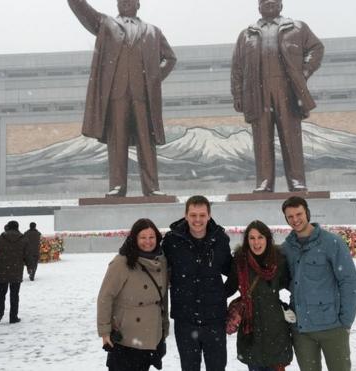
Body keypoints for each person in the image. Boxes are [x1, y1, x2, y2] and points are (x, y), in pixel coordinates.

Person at [67, 0, 177, 197]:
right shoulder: (106, 24)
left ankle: (152, 188)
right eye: (121, 0)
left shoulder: (153, 31)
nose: (125, 3)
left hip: (143, 97)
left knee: (146, 141)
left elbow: (170, 58)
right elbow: (83, 10)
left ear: (138, 4)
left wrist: (153, 78)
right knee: (117, 141)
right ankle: (117, 186)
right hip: (116, 96)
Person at [231, 0, 324, 192]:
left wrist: (303, 72)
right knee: (262, 140)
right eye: (265, 1)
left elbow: (316, 49)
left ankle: (297, 181)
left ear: (281, 5)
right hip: (258, 93)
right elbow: (237, 68)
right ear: (259, 6)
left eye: (274, 1)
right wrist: (238, 94)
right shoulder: (247, 35)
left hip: (287, 91)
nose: (270, 4)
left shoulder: (297, 28)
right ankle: (264, 182)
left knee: (291, 139)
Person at [280, 196, 356, 371]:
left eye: (298, 214)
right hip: (302, 330)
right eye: (290, 217)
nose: (295, 220)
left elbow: (350, 282)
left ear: (307, 213)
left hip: (332, 327)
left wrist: (346, 321)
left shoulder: (331, 243)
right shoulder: (286, 249)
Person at [161, 195, 232, 371]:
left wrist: (222, 295)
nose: (197, 220)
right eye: (193, 215)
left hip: (214, 319)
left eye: (202, 215)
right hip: (185, 319)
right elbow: (158, 269)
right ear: (186, 216)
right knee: (189, 368)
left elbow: (232, 270)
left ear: (209, 215)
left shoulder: (220, 239)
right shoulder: (171, 241)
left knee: (217, 367)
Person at [97, 218, 169, 371]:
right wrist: (104, 332)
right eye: (143, 237)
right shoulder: (122, 262)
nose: (148, 242)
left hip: (151, 336)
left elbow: (162, 299)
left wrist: (164, 327)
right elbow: (105, 297)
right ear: (134, 238)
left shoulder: (161, 261)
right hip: (126, 339)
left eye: (151, 237)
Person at [224, 220, 293, 371]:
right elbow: (228, 288)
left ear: (268, 238)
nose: (256, 242)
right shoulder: (240, 261)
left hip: (276, 329)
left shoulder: (278, 260)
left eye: (260, 237)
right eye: (252, 238)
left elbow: (293, 286)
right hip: (250, 330)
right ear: (247, 241)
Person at [0, 220, 33, 323]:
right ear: (17, 227)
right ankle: (13, 317)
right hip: (16, 270)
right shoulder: (23, 240)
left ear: (8, 227)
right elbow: (28, 255)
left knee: (0, 293)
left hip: (2, 270)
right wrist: (30, 267)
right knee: (14, 294)